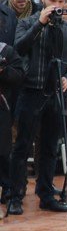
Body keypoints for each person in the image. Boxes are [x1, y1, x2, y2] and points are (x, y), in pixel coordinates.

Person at [9, 0, 67, 214]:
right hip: (30, 92)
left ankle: (46, 195)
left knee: (50, 147)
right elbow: (18, 49)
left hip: (55, 95)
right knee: (22, 146)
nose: (56, 6)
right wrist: (40, 24)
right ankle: (15, 196)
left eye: (61, 2)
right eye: (52, 1)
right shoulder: (27, 22)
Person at [0, 39, 25, 211]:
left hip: (2, 108)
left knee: (3, 151)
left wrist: (4, 70)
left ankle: (7, 189)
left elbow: (19, 75)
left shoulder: (6, 51)